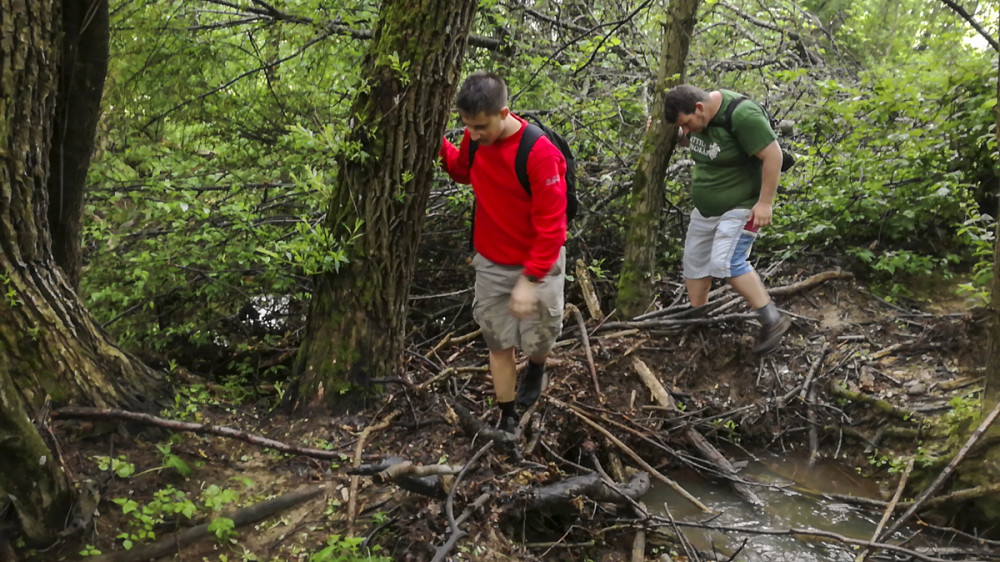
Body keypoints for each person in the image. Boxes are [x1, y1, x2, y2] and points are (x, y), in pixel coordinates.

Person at [439, 72, 568, 433]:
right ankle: (507, 415)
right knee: (499, 341)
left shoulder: (540, 153)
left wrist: (529, 280)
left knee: (539, 338)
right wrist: (438, 145)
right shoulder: (474, 138)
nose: (473, 134)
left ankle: (537, 366)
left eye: (480, 127)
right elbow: (463, 171)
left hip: (538, 263)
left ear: (504, 112)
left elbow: (552, 227)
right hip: (492, 260)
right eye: (467, 127)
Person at [663, 84, 791, 354]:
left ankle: (772, 319)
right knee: (694, 261)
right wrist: (671, 131)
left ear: (699, 108)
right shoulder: (698, 121)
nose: (686, 131)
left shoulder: (742, 115)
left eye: (687, 123)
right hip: (707, 209)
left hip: (742, 205)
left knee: (727, 262)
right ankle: (699, 315)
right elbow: (694, 140)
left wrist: (765, 203)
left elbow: (773, 154)